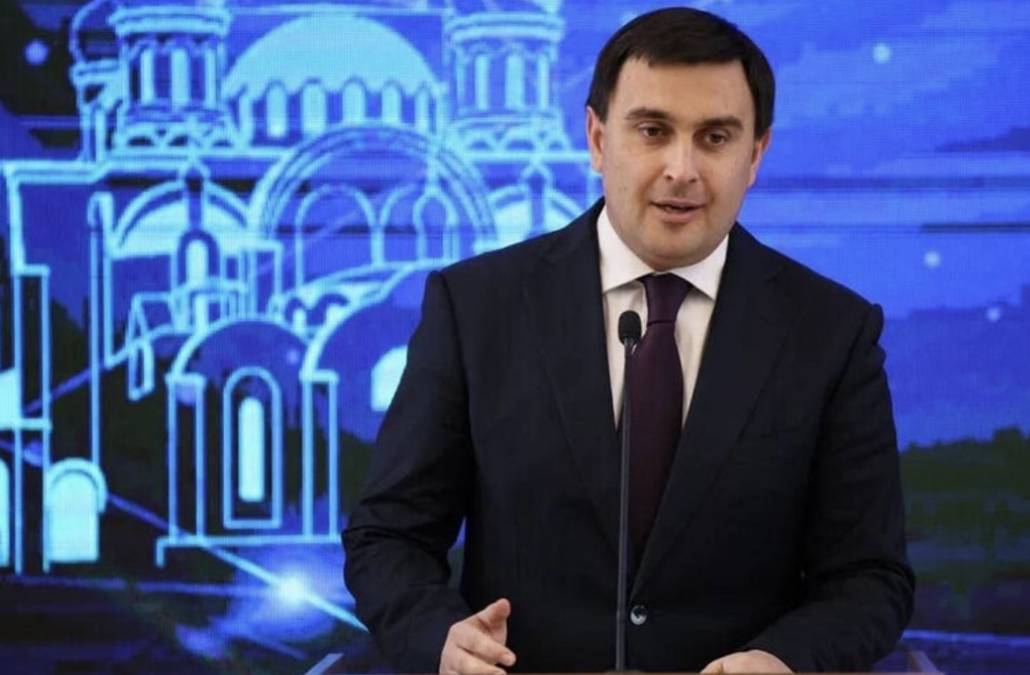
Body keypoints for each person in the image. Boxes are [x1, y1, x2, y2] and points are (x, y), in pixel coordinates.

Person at [343, 7, 914, 673]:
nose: (681, 169)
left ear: (755, 155)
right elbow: (388, 536)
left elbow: (870, 577)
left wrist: (784, 659)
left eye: (715, 138)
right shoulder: (476, 308)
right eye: (652, 131)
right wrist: (440, 636)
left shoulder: (831, 332)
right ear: (596, 139)